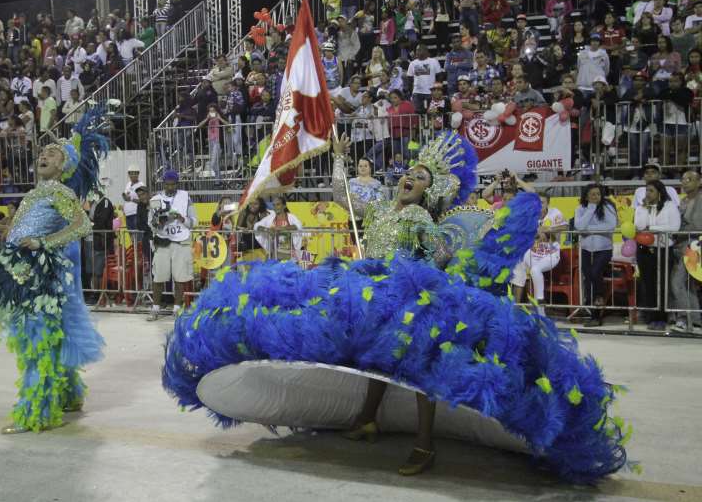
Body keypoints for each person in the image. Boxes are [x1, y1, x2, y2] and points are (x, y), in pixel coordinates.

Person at [163, 131, 632, 483]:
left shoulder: (423, 218)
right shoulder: (385, 210)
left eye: (420, 177)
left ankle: (424, 443)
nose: (409, 177)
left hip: (414, 302)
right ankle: (367, 418)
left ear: (432, 191)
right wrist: (342, 162)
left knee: (419, 366)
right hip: (372, 291)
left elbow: (442, 256)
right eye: (409, 172)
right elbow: (338, 198)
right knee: (369, 356)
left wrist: (441, 248)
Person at [0, 107, 107, 434]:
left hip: (38, 276)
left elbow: (82, 225)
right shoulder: (36, 193)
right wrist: (7, 234)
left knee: (37, 344)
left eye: (53, 153)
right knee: (49, 337)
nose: (44, 155)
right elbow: (23, 228)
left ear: (65, 166)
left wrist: (44, 244)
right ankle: (67, 395)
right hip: (21, 270)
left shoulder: (60, 192)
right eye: (43, 152)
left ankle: (37, 413)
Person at [148, 170, 197, 321]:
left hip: (181, 241)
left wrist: (181, 218)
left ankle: (177, 309)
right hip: (162, 241)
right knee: (159, 277)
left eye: (173, 184)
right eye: (168, 184)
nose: (170, 187)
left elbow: (194, 222)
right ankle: (155, 309)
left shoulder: (185, 196)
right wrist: (162, 221)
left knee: (180, 278)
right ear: (164, 184)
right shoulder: (155, 199)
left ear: (177, 184)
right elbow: (151, 224)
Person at [634, 180, 681, 331]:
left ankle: (662, 318)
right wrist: (644, 209)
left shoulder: (670, 206)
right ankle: (651, 316)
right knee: (648, 285)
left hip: (663, 250)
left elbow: (674, 227)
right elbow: (639, 226)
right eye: (647, 190)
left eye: (651, 191)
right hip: (645, 250)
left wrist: (652, 228)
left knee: (662, 285)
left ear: (660, 192)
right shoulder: (642, 207)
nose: (648, 194)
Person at [510, 193, 568, 312]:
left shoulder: (554, 213)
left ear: (548, 203)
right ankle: (514, 307)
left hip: (551, 253)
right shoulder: (530, 215)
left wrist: (548, 229)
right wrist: (536, 233)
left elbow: (565, 227)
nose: (539, 205)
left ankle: (540, 302)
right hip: (533, 252)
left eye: (542, 202)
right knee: (518, 264)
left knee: (535, 270)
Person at [574, 184, 618, 324]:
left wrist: (589, 229)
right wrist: (591, 209)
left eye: (598, 194)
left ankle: (598, 297)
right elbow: (579, 226)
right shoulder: (581, 209)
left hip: (604, 249)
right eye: (592, 194)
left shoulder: (608, 207)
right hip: (586, 249)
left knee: (595, 272)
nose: (596, 197)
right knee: (589, 278)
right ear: (586, 196)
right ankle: (594, 315)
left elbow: (611, 226)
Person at [670, 171, 702, 334]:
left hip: (694, 246)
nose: (685, 182)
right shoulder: (683, 201)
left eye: (689, 179)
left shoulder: (700, 199)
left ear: (699, 182)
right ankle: (695, 319)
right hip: (681, 245)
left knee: (677, 282)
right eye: (683, 179)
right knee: (688, 285)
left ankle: (683, 318)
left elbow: (697, 225)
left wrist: (677, 231)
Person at [254, 196, 304, 262]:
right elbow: (257, 226)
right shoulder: (270, 218)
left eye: (278, 204)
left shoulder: (291, 217)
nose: (275, 207)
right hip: (274, 254)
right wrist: (267, 230)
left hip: (289, 254)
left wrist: (282, 228)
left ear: (284, 206)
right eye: (274, 205)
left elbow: (298, 225)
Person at [407, 44, 442, 114]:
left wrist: (437, 90)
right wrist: (412, 92)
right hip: (417, 93)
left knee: (432, 113)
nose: (417, 52)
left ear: (426, 51)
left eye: (419, 50)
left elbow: (439, 76)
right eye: (416, 50)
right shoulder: (412, 63)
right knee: (418, 113)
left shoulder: (433, 61)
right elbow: (409, 80)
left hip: (431, 93)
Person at [122, 165, 144, 235]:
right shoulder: (128, 184)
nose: (133, 175)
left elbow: (143, 201)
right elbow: (126, 197)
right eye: (131, 173)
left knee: (138, 237)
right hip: (128, 214)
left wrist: (131, 199)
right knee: (132, 237)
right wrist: (124, 197)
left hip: (136, 214)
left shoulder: (141, 185)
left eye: (135, 173)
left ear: (138, 174)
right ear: (128, 174)